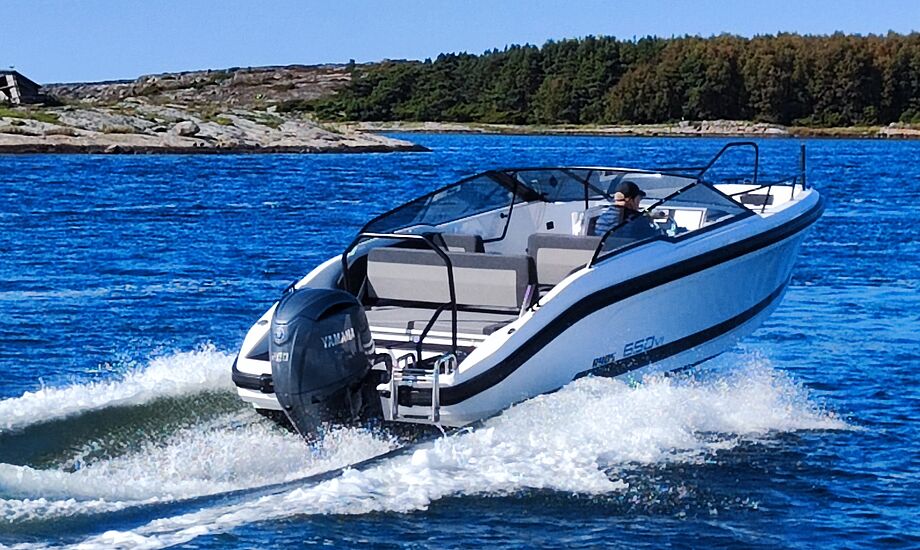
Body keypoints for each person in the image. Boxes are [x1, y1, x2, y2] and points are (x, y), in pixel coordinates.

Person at [590, 180, 660, 239]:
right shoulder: (637, 220)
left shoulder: (602, 218)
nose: (638, 204)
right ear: (630, 200)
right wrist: (652, 223)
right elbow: (653, 237)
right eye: (638, 199)